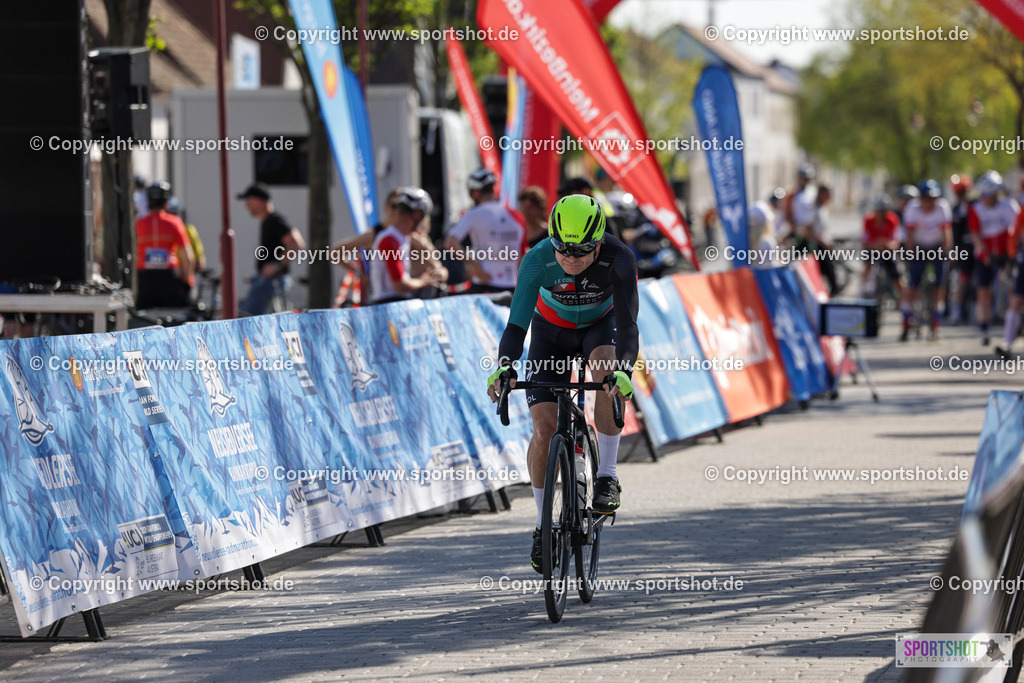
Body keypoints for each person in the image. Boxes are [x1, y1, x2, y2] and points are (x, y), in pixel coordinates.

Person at [486, 194, 639, 573]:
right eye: (562, 248)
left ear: (598, 241)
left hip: (599, 327)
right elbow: (516, 326)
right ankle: (542, 526)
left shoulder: (619, 258)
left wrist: (623, 371)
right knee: (544, 429)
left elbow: (628, 325)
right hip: (549, 333)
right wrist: (505, 366)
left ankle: (607, 475)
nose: (570, 258)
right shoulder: (537, 259)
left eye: (581, 250)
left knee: (607, 374)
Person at [443, 168, 524, 294]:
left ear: (475, 193)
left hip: (484, 283)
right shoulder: (516, 216)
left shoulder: (473, 214)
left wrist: (474, 266)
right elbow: (522, 253)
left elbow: (450, 243)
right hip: (512, 285)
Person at [237, 184, 305, 315]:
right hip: (268, 280)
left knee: (248, 317)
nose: (246, 206)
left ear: (258, 200)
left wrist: (277, 265)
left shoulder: (275, 221)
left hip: (271, 281)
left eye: (248, 200)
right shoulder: (267, 221)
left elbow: (297, 243)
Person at [968, 171, 1019, 346]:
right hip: (985, 254)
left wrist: (1012, 253)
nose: (984, 198)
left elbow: (1017, 229)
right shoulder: (976, 209)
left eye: (988, 195)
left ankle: (1012, 321)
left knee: (1013, 286)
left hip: (1007, 253)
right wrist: (985, 253)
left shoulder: (1009, 206)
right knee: (984, 291)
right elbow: (975, 234)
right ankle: (985, 328)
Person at [370, 187, 446, 304]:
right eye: (424, 216)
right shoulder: (389, 239)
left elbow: (436, 267)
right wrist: (423, 281)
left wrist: (437, 274)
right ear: (417, 215)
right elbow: (400, 284)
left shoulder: (405, 237)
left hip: (397, 302)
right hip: (387, 302)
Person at [900, 180, 952, 341]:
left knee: (940, 287)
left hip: (937, 246)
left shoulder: (942, 207)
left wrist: (948, 252)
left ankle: (936, 324)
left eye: (933, 199)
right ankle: (906, 323)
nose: (930, 203)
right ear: (920, 198)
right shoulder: (912, 208)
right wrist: (909, 255)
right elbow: (909, 235)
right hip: (918, 246)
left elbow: (947, 233)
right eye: (926, 199)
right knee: (912, 287)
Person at [135, 181, 195, 309]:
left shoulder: (138, 224)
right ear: (166, 202)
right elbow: (188, 256)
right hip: (169, 278)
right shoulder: (174, 222)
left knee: (143, 317)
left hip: (144, 280)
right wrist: (186, 282)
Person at [860, 195, 903, 300]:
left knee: (896, 275)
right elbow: (864, 240)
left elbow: (896, 240)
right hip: (872, 249)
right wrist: (875, 245)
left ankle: (902, 300)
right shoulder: (868, 220)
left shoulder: (892, 220)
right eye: (878, 211)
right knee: (867, 266)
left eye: (883, 211)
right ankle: (863, 290)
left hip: (887, 251)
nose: (881, 214)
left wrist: (888, 244)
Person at [949, 174, 974, 324]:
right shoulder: (954, 210)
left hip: (975, 247)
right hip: (960, 249)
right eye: (958, 192)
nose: (961, 195)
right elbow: (951, 233)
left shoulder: (974, 206)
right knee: (961, 279)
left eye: (963, 192)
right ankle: (956, 309)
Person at [166, 196, 207, 272]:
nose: (172, 219)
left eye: (174, 214)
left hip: (182, 272)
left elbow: (200, 261)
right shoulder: (159, 232)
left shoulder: (188, 230)